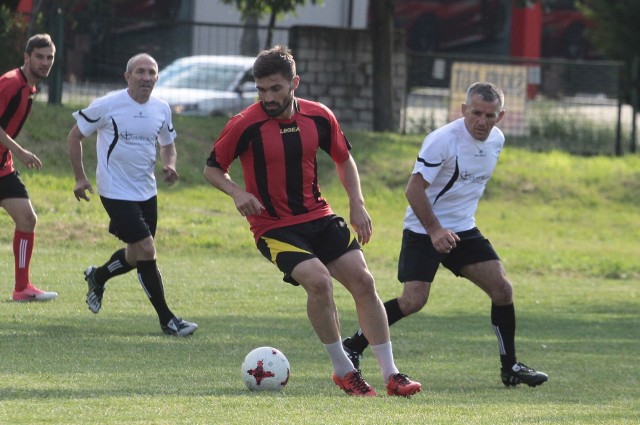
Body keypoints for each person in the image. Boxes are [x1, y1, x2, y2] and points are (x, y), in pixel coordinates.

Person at [203, 45, 421, 397]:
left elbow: (344, 159)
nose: (268, 97)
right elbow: (212, 169)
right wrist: (237, 193)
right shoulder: (244, 124)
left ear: (294, 83)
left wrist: (357, 203)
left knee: (364, 282)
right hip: (273, 227)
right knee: (319, 281)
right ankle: (344, 371)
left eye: (275, 88)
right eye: (261, 90)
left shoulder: (319, 116)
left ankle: (392, 375)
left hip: (319, 217)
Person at [343, 82, 549, 388]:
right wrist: (435, 229)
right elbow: (413, 190)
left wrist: (451, 227)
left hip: (463, 229)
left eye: (490, 115)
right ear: (463, 110)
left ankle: (511, 368)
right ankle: (353, 345)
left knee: (502, 289)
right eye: (476, 113)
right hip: (423, 230)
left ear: (501, 116)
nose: (482, 121)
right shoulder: (442, 141)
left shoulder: (497, 140)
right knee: (413, 300)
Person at [67, 53, 197, 337]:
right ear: (127, 76)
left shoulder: (162, 109)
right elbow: (74, 136)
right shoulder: (108, 104)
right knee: (148, 250)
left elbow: (168, 144)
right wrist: (80, 177)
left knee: (135, 256)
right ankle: (168, 320)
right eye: (140, 71)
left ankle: (97, 276)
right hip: (115, 190)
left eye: (152, 72)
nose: (146, 77)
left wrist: (170, 164)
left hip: (146, 191)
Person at [1, 33, 58, 302]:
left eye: (49, 57)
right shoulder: (10, 83)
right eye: (39, 57)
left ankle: (22, 289)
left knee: (27, 218)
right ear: (26, 57)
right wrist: (19, 150)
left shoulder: (31, 88)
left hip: (3, 167)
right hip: (7, 160)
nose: (45, 62)